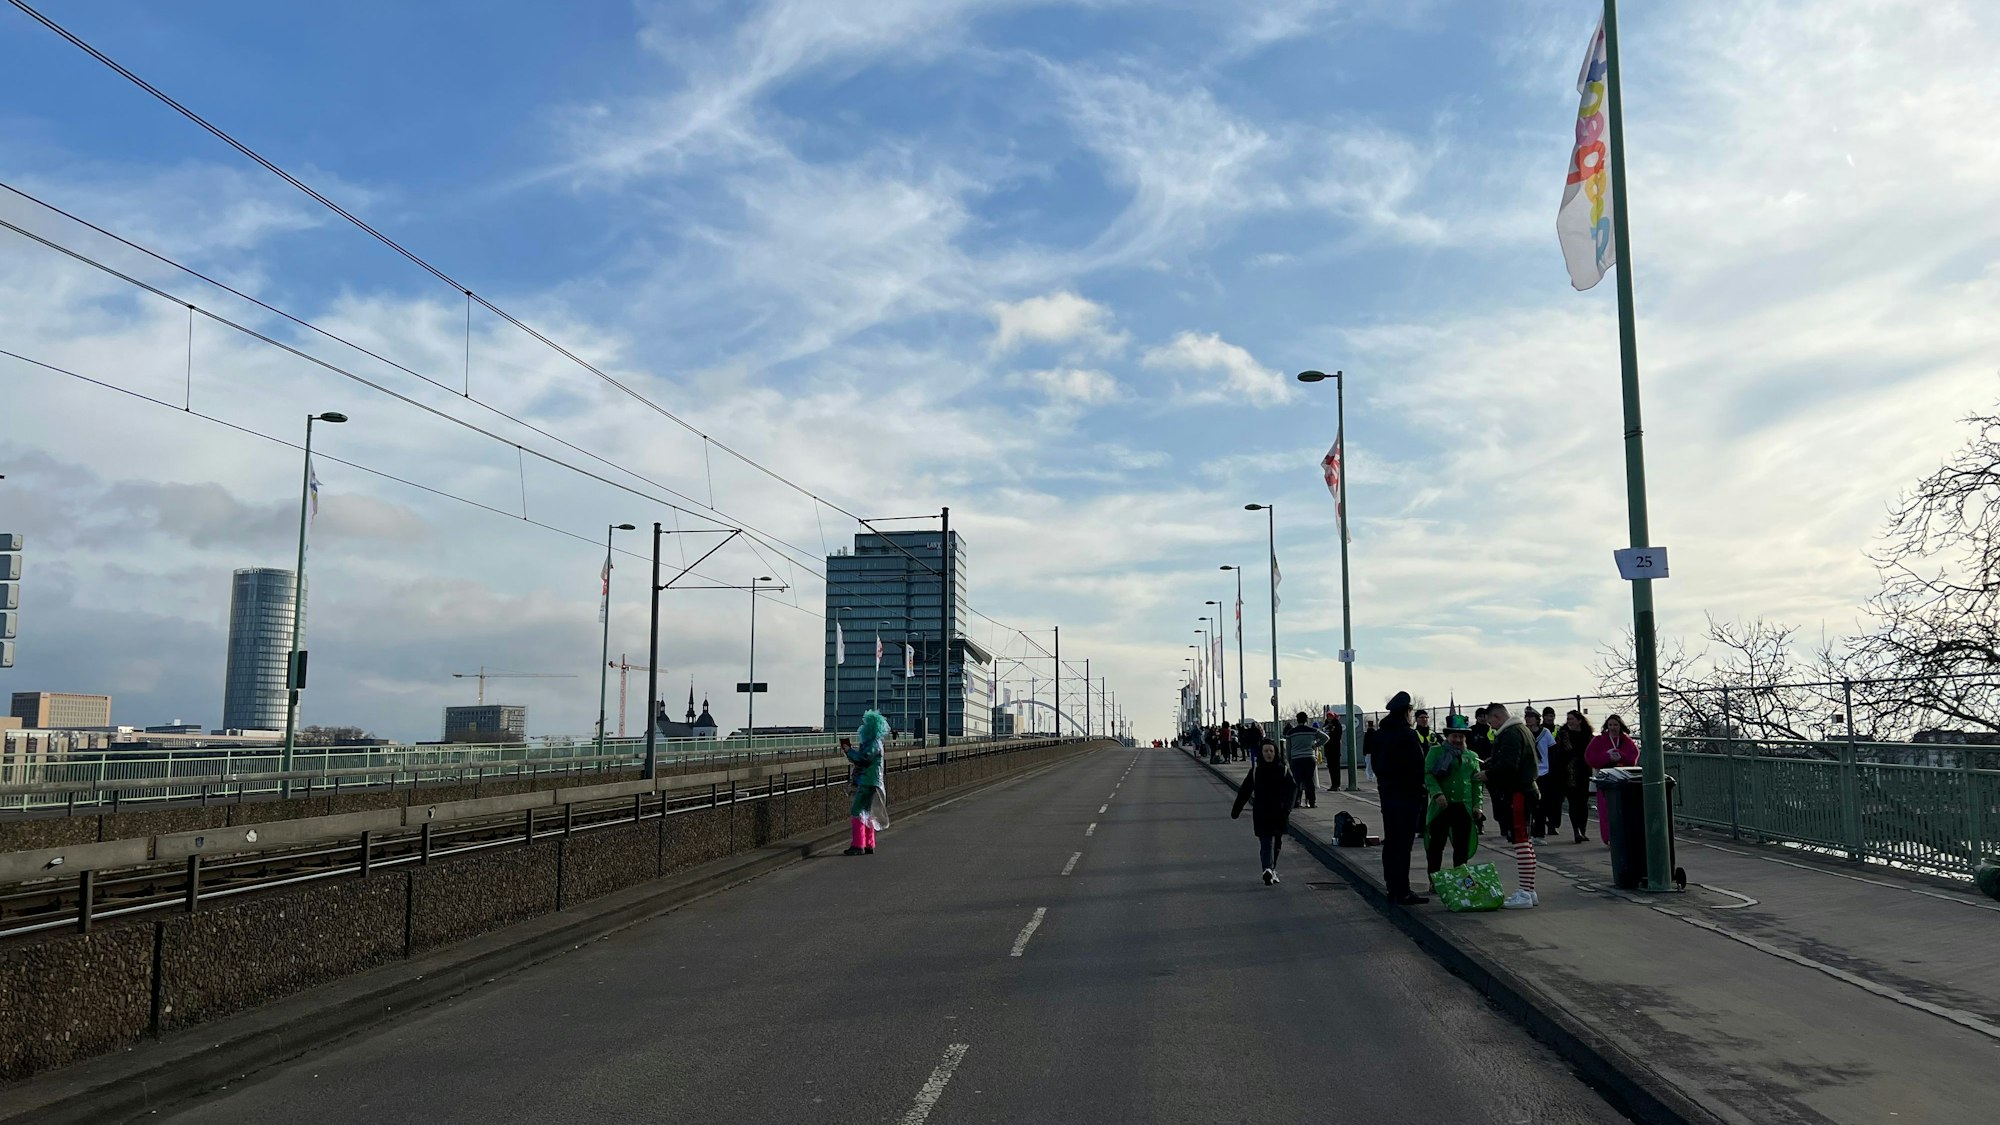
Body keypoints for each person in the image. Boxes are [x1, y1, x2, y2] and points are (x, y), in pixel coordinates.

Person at [1364, 692, 1429, 905]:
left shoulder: (1379, 735)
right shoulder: (1407, 735)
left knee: (1391, 842)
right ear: (1407, 712)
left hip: (1387, 794)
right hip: (1407, 796)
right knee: (1404, 845)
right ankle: (1403, 890)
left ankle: (1392, 887)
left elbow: (1375, 764)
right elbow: (1418, 766)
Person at [1487, 703, 1541, 908]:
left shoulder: (1510, 733)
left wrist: (1489, 773)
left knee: (1520, 842)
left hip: (1518, 792)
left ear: (1497, 717)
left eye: (1491, 721)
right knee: (1525, 842)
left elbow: (1510, 764)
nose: (1491, 726)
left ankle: (1525, 893)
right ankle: (1529, 889)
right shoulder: (1522, 730)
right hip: (1527, 789)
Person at [1424, 714, 1485, 877]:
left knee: (1461, 847)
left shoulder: (1472, 756)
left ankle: (1462, 880)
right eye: (1454, 736)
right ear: (1447, 736)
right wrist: (1437, 794)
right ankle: (1434, 879)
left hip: (1463, 807)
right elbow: (1428, 774)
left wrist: (1477, 805)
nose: (1458, 740)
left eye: (1461, 736)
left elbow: (1477, 782)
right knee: (1436, 845)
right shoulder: (1436, 752)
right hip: (1441, 807)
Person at [1231, 739, 1297, 884]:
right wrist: (1236, 810)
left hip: (1279, 812)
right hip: (1261, 812)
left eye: (1271, 751)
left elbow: (1292, 790)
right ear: (1261, 753)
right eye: (1266, 751)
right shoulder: (1256, 771)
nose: (1268, 754)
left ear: (1275, 753)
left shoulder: (1283, 770)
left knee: (1277, 843)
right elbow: (1244, 791)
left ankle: (1272, 869)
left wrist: (1287, 808)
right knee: (1266, 842)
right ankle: (1267, 868)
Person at [1586, 713, 1640, 844]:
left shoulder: (1627, 741)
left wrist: (1620, 756)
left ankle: (1623, 836)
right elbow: (1589, 757)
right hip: (1605, 779)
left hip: (1622, 780)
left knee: (1623, 810)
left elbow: (1633, 758)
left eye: (1615, 725)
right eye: (1610, 725)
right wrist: (1606, 757)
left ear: (1620, 726)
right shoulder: (1599, 740)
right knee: (1605, 810)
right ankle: (1608, 838)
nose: (1613, 727)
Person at [844, 710, 889, 855]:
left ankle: (858, 845)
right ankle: (869, 844)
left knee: (857, 811)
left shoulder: (872, 744)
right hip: (873, 781)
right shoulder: (877, 743)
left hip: (867, 781)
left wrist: (849, 750)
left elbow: (862, 760)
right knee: (867, 813)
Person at [1551, 710, 1596, 843]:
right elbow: (1557, 753)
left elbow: (1592, 751)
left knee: (1583, 802)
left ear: (1579, 720)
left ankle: (1583, 829)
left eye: (1572, 719)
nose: (1569, 721)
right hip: (1568, 773)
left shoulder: (1587, 735)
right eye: (1568, 719)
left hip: (1584, 771)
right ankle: (1576, 830)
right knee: (1573, 802)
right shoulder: (1563, 734)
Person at [1283, 712, 1329, 808]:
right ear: (1306, 720)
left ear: (1297, 720)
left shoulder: (1291, 733)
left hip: (1296, 759)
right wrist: (1315, 745)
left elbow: (1288, 748)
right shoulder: (1312, 731)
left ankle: (1296, 802)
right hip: (1309, 758)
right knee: (1309, 780)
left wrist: (1289, 760)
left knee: (1297, 781)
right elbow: (1326, 737)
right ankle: (1312, 802)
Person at [1526, 707, 1556, 838]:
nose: (1528, 719)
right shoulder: (1525, 733)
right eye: (1526, 717)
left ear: (1537, 720)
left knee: (1542, 804)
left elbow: (1552, 751)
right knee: (1530, 804)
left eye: (1531, 717)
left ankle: (1539, 833)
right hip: (1529, 772)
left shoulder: (1545, 733)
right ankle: (1530, 830)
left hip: (1544, 771)